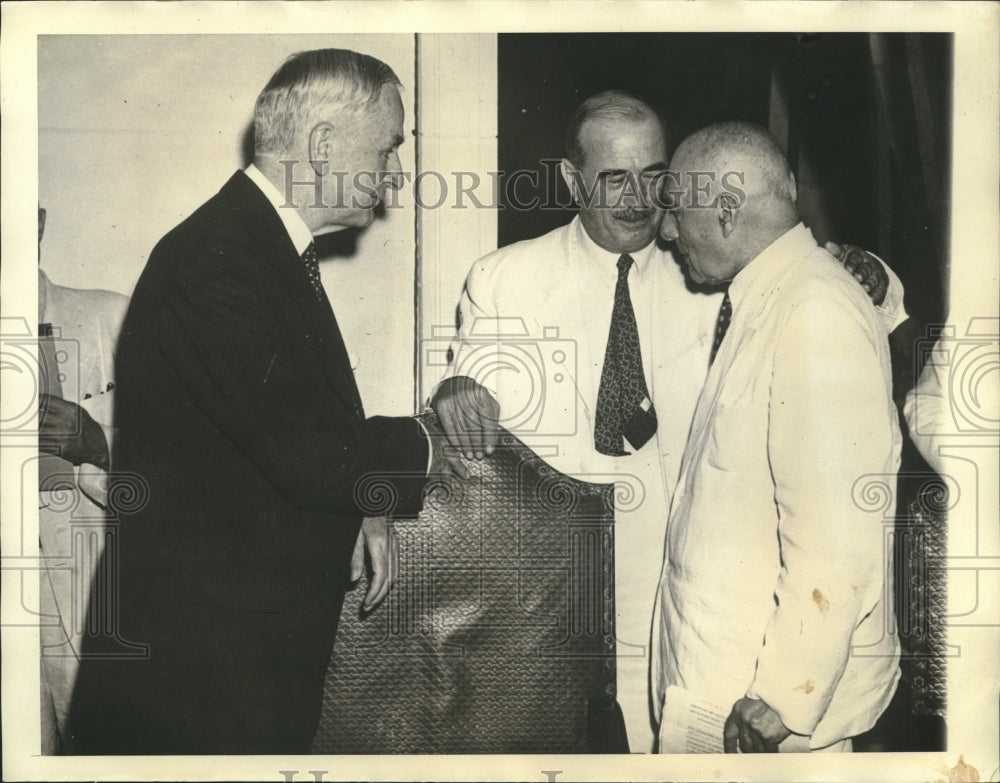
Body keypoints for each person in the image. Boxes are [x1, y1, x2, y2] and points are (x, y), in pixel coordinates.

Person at [431, 91, 902, 752]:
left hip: (701, 625)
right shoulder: (506, 278)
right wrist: (454, 388)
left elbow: (822, 301)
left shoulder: (712, 274)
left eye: (655, 178)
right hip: (560, 619)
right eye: (615, 178)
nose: (640, 201)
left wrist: (873, 273)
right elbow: (473, 380)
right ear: (573, 180)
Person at [67, 48, 456, 755]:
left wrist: (365, 499)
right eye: (388, 148)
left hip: (227, 663)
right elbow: (311, 453)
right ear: (322, 145)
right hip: (197, 680)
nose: (397, 176)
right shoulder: (220, 257)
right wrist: (432, 439)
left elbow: (284, 432)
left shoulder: (254, 247)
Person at [652, 121, 901, 753]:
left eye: (678, 211)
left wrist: (786, 696)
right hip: (725, 691)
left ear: (727, 211)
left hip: (765, 713)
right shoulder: (769, 297)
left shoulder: (813, 309)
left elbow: (839, 532)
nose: (668, 232)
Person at [36, 206, 130, 753]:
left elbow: (191, 465)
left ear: (39, 223)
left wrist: (98, 441)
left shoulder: (114, 321)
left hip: (94, 593)